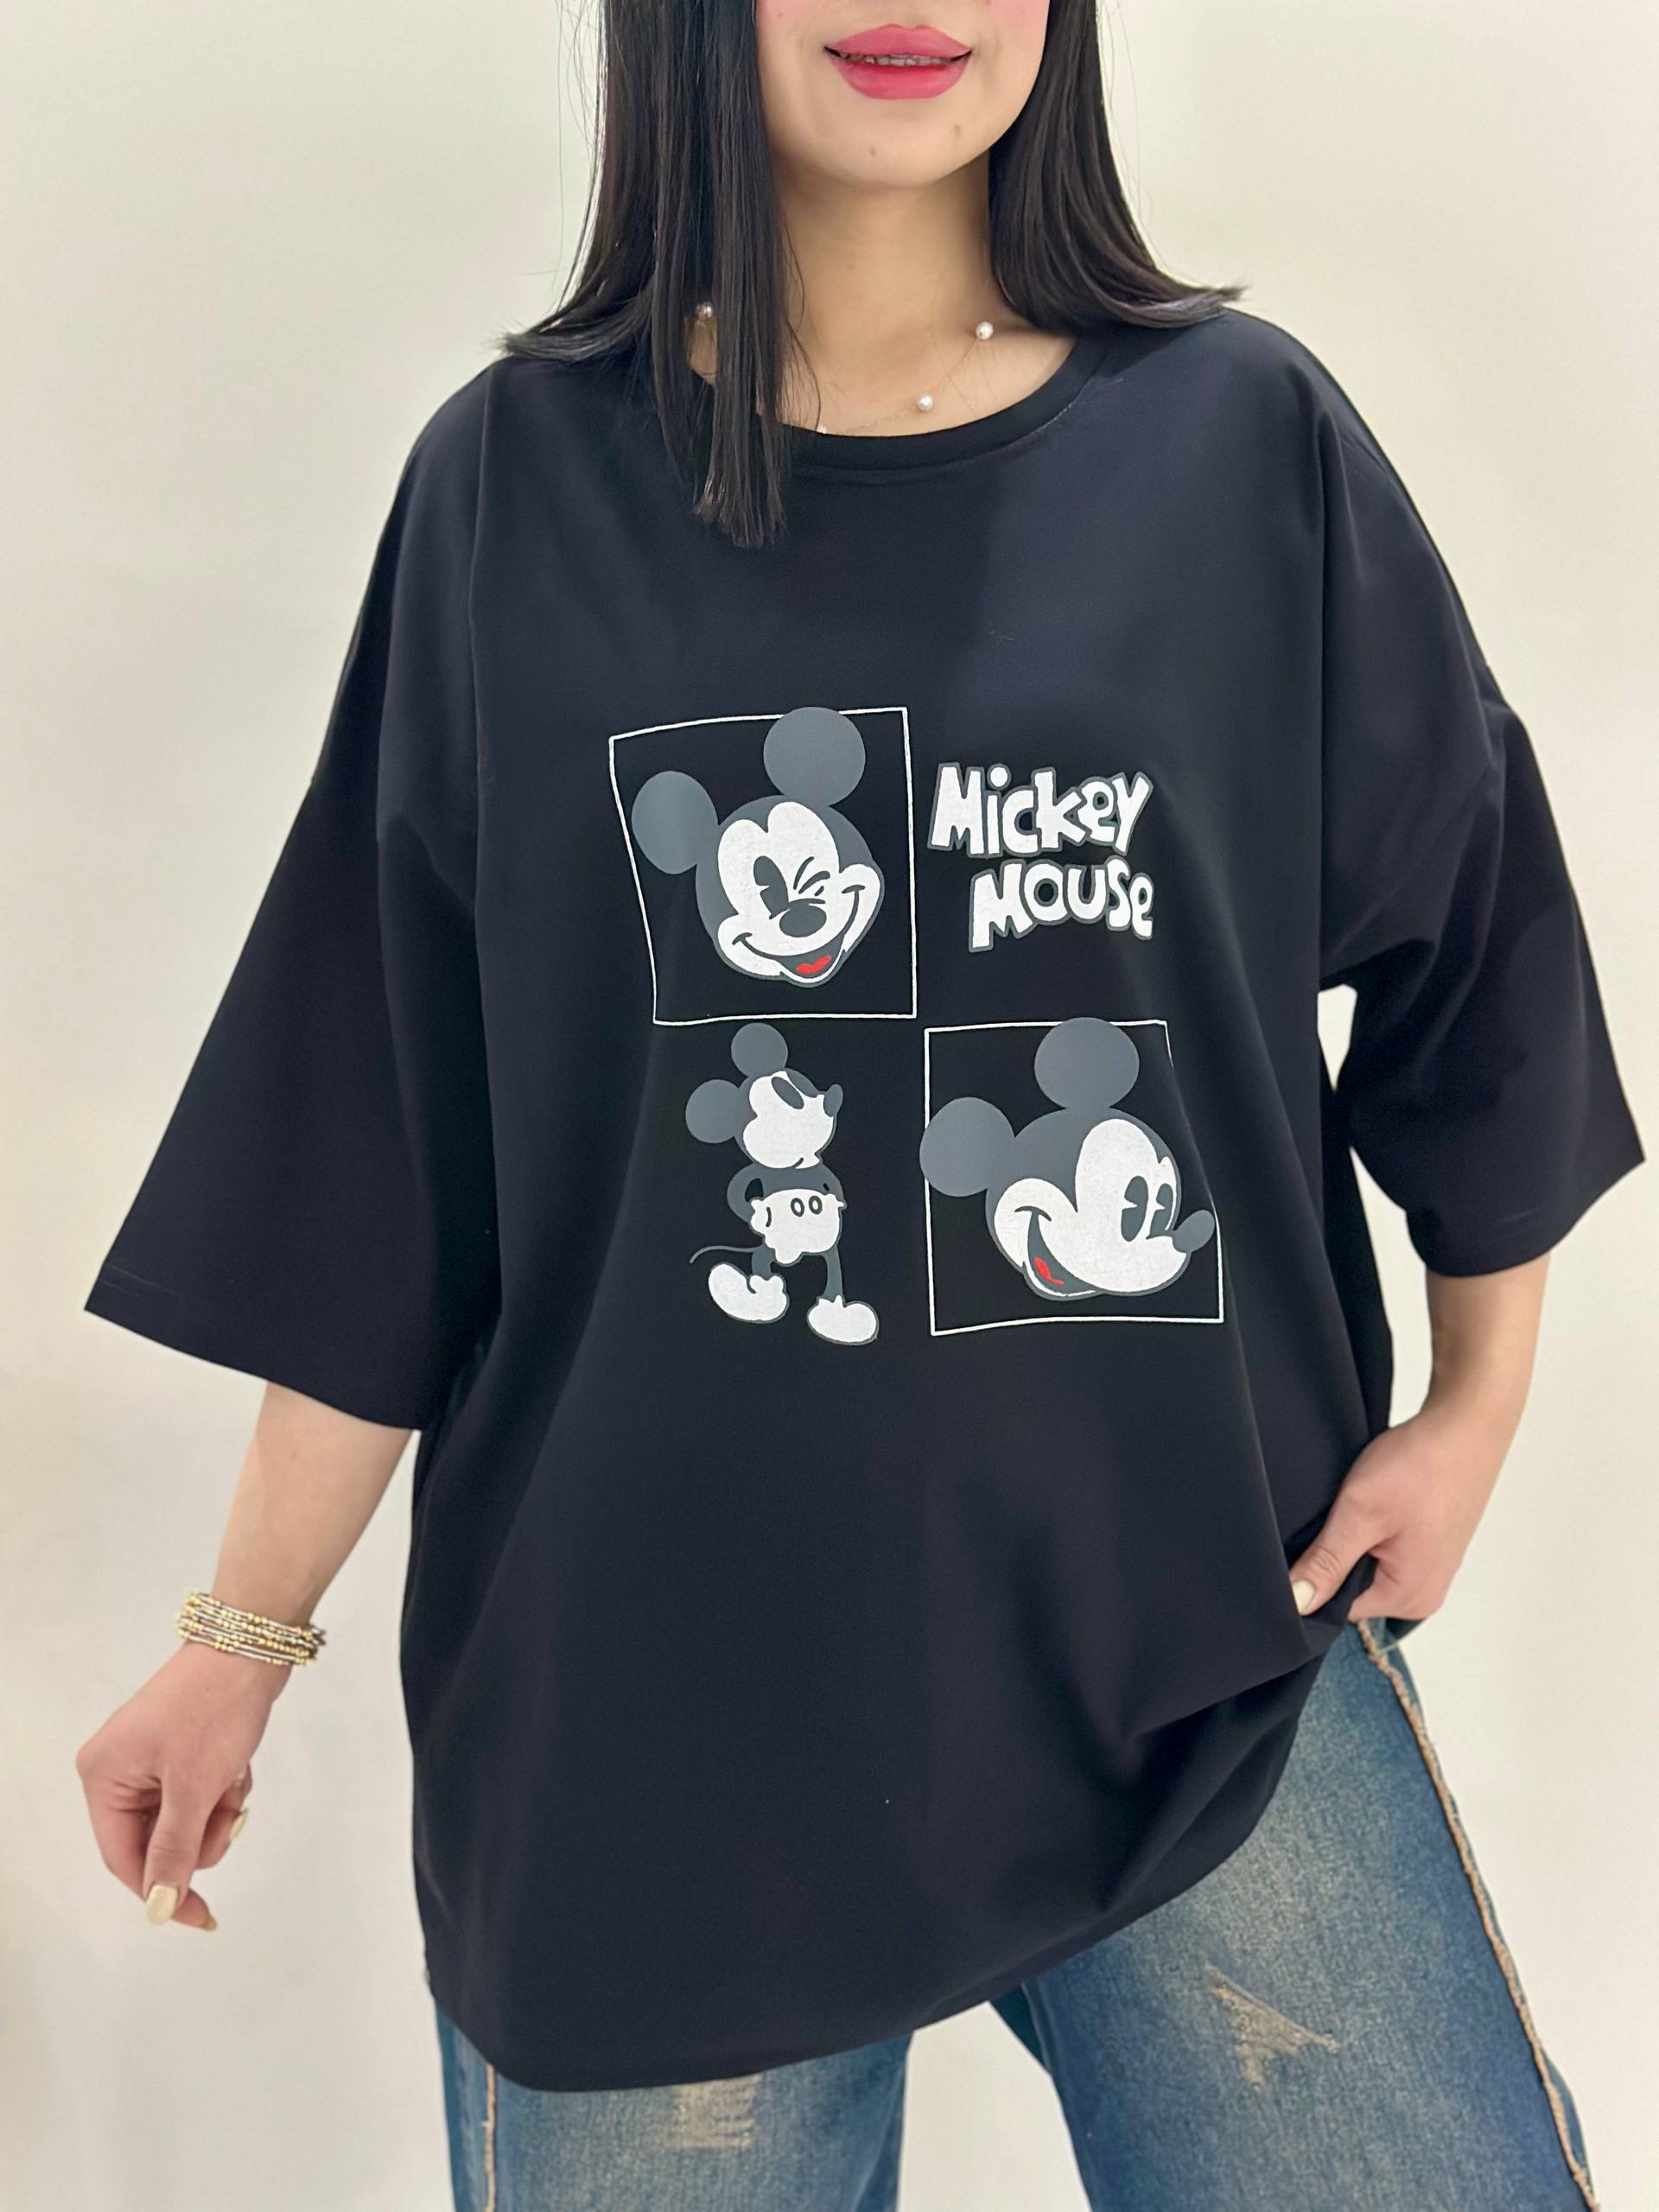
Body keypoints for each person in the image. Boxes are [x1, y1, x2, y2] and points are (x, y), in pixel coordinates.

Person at [75, 3, 1643, 2206]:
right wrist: (233, 1641)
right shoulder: (512, 487)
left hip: (1197, 1656)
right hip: (652, 1738)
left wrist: (1478, 1407)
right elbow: (383, 1143)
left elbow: (1477, 935)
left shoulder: (1243, 446)